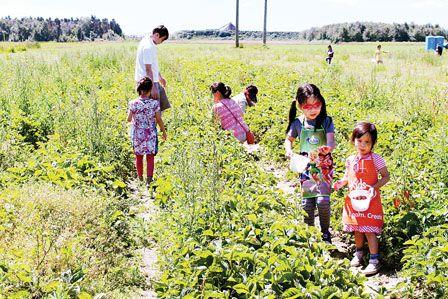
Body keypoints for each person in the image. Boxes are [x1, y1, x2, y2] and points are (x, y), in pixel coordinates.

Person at [333, 122, 390, 276]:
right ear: (353, 140)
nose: (363, 145)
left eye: (367, 142)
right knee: (357, 228)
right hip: (354, 200)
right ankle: (359, 253)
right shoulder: (351, 159)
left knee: (369, 230)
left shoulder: (376, 159)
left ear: (373, 143)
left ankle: (374, 260)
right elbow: (347, 177)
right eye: (360, 141)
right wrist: (341, 182)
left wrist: (374, 187)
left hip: (370, 201)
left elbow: (386, 176)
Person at [284, 83, 336, 243]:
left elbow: (331, 143)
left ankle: (325, 234)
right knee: (307, 203)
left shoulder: (326, 121)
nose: (313, 110)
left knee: (323, 201)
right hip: (306, 167)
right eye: (308, 106)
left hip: (324, 167)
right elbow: (288, 140)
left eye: (317, 105)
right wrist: (289, 150)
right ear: (300, 106)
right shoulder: (298, 123)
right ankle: (310, 235)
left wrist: (327, 149)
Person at [127, 77, 167, 185]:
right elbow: (158, 119)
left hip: (137, 134)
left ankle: (140, 179)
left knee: (138, 157)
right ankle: (149, 181)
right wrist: (163, 131)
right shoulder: (154, 104)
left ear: (139, 89)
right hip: (151, 134)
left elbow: (129, 119)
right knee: (150, 157)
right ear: (150, 89)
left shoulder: (133, 103)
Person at [134, 25, 171, 112]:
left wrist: (160, 77)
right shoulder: (148, 47)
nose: (161, 42)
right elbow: (148, 69)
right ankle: (153, 125)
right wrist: (152, 88)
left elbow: (153, 65)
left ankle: (156, 124)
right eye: (162, 39)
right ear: (157, 35)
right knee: (153, 111)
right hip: (147, 83)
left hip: (152, 80)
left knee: (161, 102)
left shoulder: (148, 41)